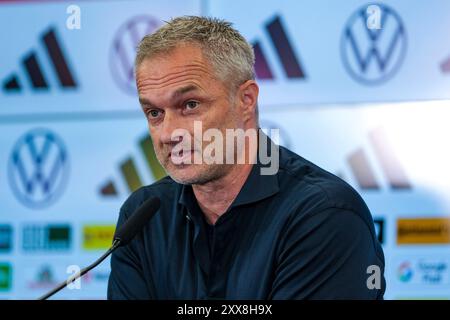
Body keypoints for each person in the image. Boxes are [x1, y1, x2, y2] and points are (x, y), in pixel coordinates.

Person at [107, 16, 385, 299]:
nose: (168, 133)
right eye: (154, 113)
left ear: (246, 101)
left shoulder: (324, 214)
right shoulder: (142, 218)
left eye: (190, 105)